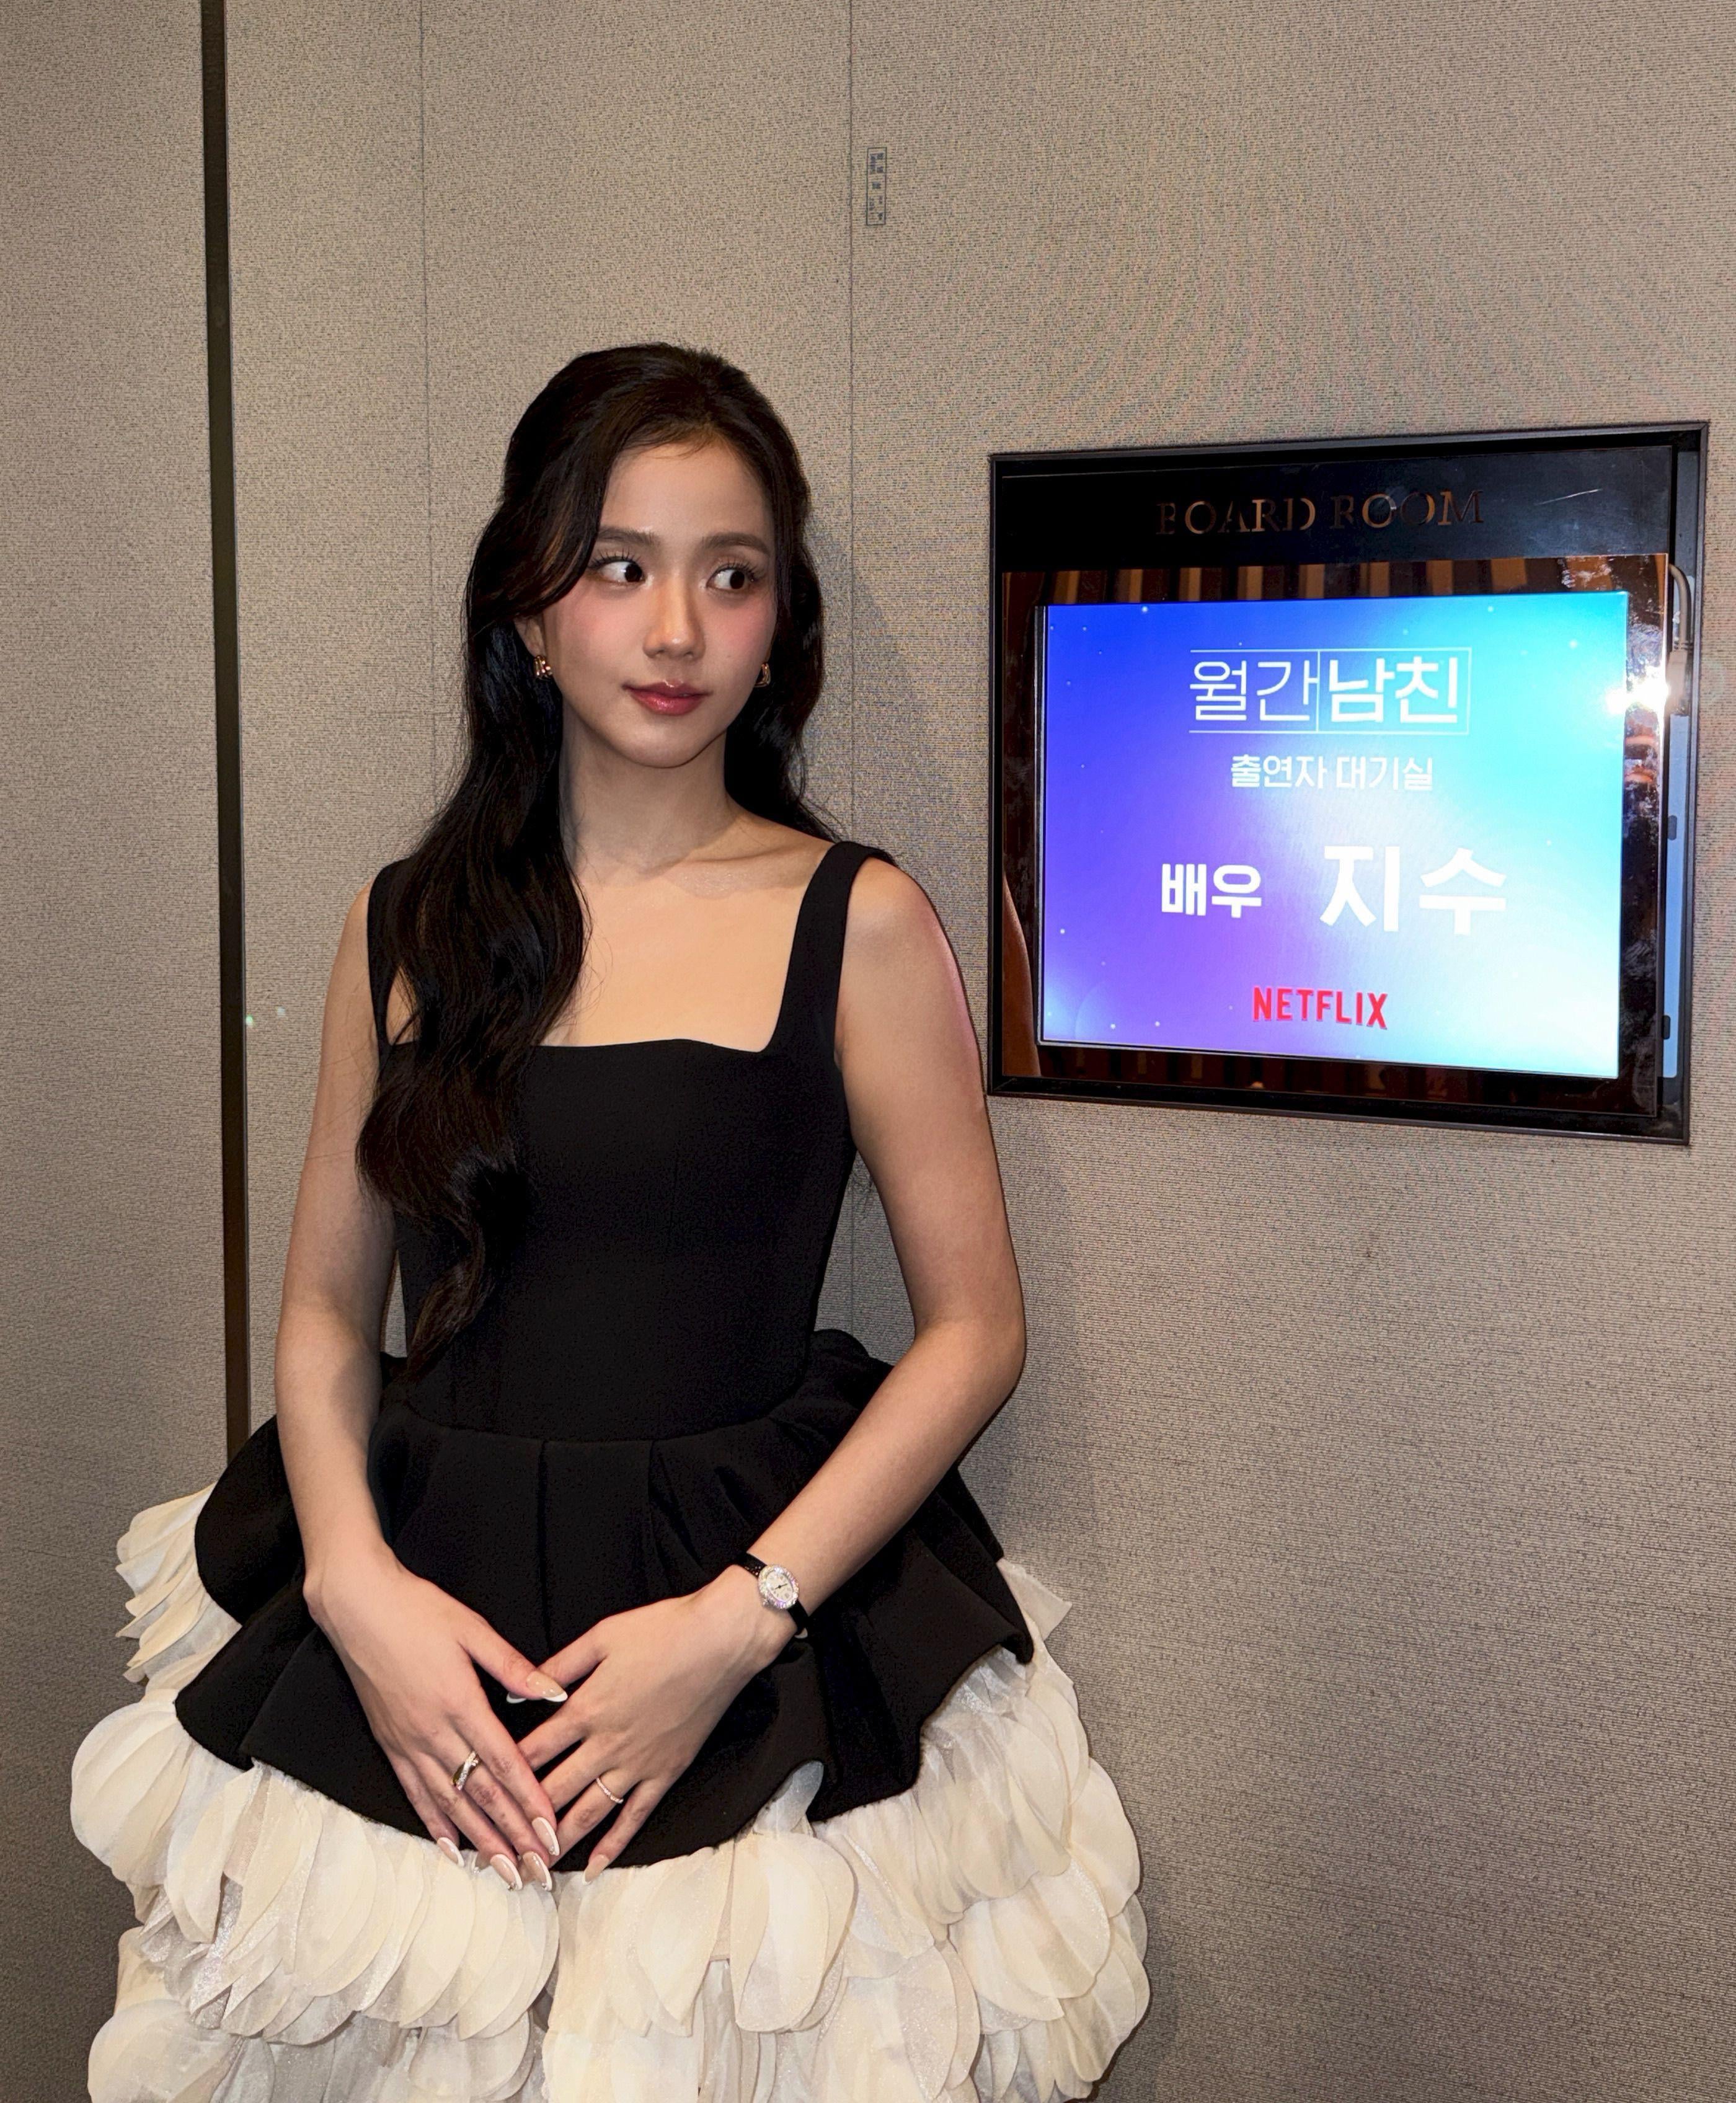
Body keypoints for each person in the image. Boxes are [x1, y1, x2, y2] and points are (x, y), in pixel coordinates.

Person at [71, 342, 1149, 2102]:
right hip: (419, 1612)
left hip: (741, 1614)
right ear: (528, 610)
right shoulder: (406, 925)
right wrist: (354, 1589)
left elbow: (976, 1331)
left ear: (778, 627)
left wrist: (744, 1619)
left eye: (731, 576)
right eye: (620, 566)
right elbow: (329, 1314)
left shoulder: (861, 921)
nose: (674, 629)